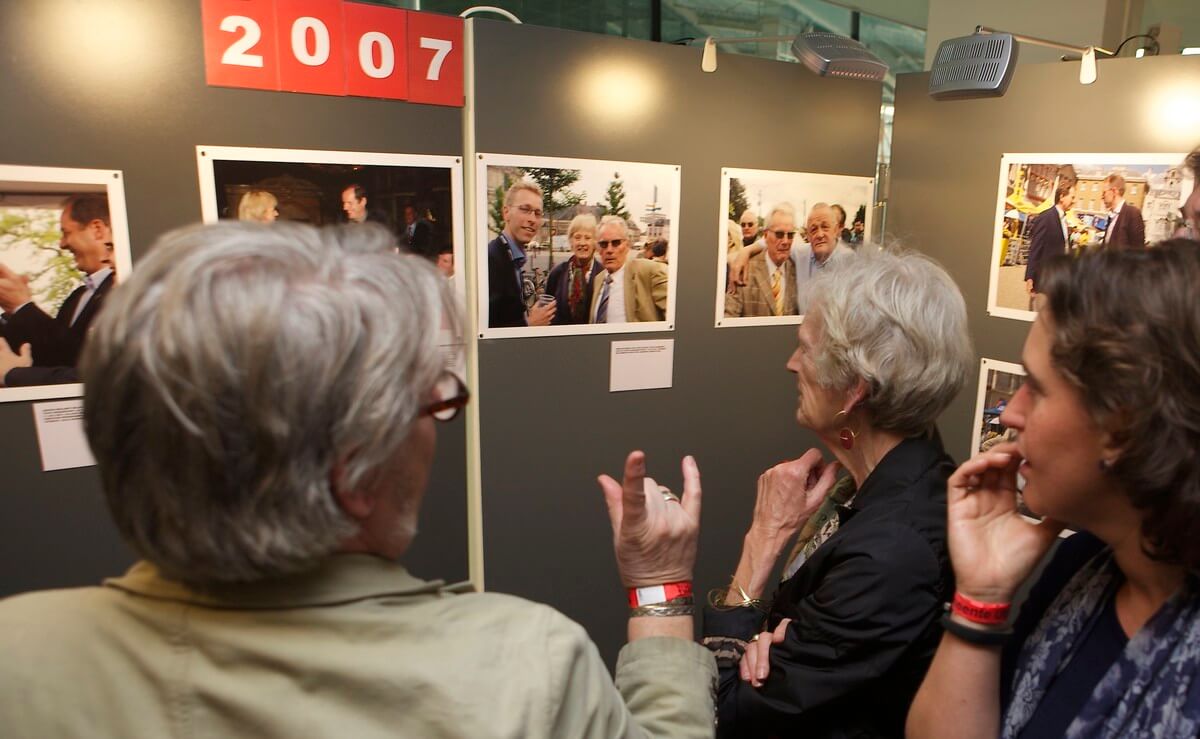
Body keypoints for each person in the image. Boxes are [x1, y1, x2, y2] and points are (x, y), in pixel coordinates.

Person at [0, 221, 718, 737]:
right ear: (352, 472)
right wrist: (660, 586)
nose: (439, 423)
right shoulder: (523, 668)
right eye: (433, 400)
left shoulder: (16, 653)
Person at [907, 237, 1200, 738]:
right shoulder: (1084, 566)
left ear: (1123, 424)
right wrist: (982, 593)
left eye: (1036, 388)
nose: (1011, 413)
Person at [703, 250, 973, 738]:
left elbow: (725, 713)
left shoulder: (890, 551)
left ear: (854, 390)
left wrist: (764, 539)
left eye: (805, 349)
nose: (791, 364)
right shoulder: (883, 478)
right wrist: (768, 641)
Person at [0, 194, 115, 387]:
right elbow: (51, 353)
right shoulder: (76, 297)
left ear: (97, 229)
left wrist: (23, 306)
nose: (62, 244)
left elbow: (80, 363)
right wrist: (15, 309)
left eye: (66, 232)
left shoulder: (124, 292)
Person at [728, 203, 853, 312]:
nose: (819, 234)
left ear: (836, 230)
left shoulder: (852, 264)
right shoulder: (801, 253)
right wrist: (745, 252)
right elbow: (772, 243)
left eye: (825, 227)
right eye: (813, 229)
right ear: (808, 235)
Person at [487, 181, 555, 328]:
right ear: (506, 213)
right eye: (525, 209)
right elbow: (485, 330)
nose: (532, 219)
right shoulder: (491, 259)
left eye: (538, 213)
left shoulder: (511, 258)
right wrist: (529, 324)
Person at [590, 215, 668, 324]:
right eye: (603, 244)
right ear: (598, 249)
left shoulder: (649, 271)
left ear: (627, 245)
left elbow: (676, 317)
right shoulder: (598, 280)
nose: (609, 250)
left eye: (616, 243)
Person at [724, 203, 798, 318]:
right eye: (779, 234)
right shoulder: (744, 270)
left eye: (790, 235)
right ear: (766, 235)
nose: (785, 241)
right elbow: (728, 318)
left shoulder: (797, 271)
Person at [543, 213, 602, 325]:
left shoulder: (603, 274)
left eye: (588, 238)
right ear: (570, 241)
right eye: (577, 237)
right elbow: (547, 312)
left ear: (595, 242)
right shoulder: (557, 273)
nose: (582, 243)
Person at [1024, 182, 1075, 295]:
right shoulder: (1046, 217)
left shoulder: (1064, 220)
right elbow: (1036, 247)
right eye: (1072, 197)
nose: (1074, 201)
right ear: (1062, 196)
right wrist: (1030, 277)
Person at [1099, 173, 1145, 250]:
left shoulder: (1133, 214)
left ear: (1114, 191)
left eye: (1104, 192)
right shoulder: (1111, 216)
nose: (1102, 197)